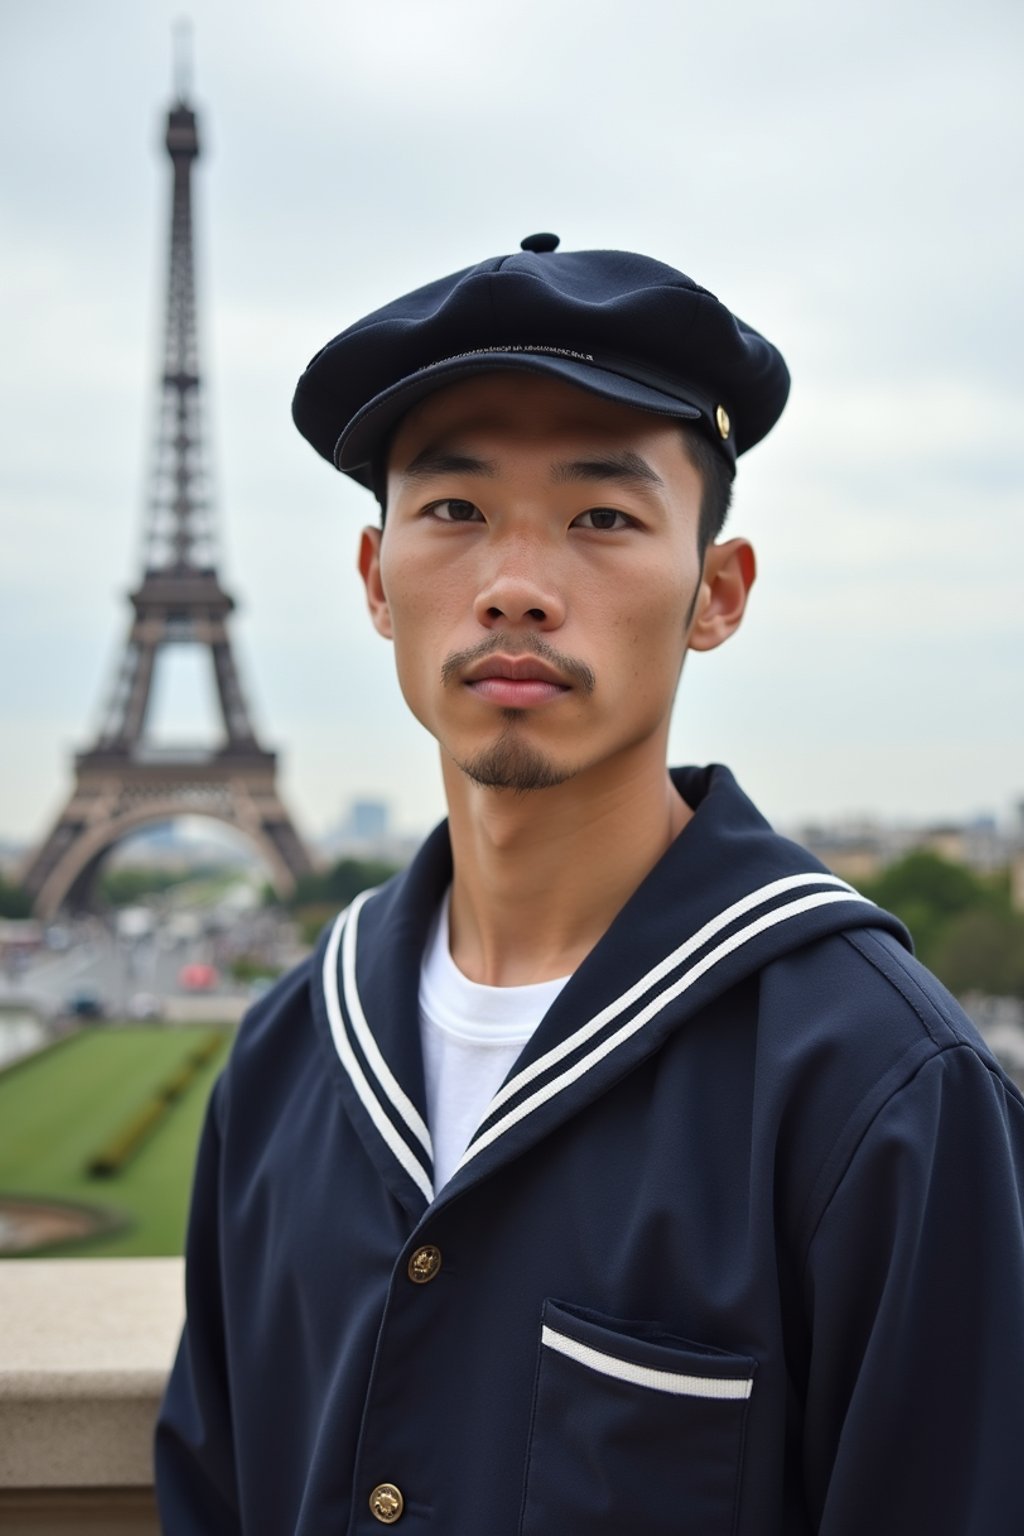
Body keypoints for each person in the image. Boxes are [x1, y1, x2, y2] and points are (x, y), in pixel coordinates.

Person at [155, 236, 1024, 1534]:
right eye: (452, 511)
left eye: (603, 518)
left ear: (717, 593)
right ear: (372, 580)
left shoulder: (886, 1093)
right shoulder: (283, 1056)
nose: (515, 588)